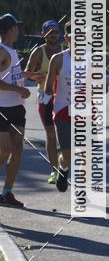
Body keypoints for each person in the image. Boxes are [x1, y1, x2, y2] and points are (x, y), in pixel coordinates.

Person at [24, 20, 63, 183]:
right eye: (50, 32)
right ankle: (54, 171)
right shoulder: (38, 52)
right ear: (43, 35)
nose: (53, 35)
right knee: (51, 134)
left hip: (63, 97)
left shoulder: (65, 51)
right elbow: (26, 73)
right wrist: (36, 76)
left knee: (66, 134)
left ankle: (64, 166)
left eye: (56, 32)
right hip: (45, 97)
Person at [0, 13, 30, 208]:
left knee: (17, 149)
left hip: (17, 108)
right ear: (11, 30)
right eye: (17, 27)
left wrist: (30, 75)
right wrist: (19, 89)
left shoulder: (11, 50)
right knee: (4, 150)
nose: (19, 30)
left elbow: (10, 74)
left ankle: (7, 193)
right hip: (2, 108)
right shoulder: (1, 50)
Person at [43, 22, 72, 193]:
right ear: (67, 38)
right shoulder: (58, 59)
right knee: (67, 155)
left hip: (85, 112)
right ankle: (63, 169)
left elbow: (103, 88)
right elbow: (47, 88)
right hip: (63, 111)